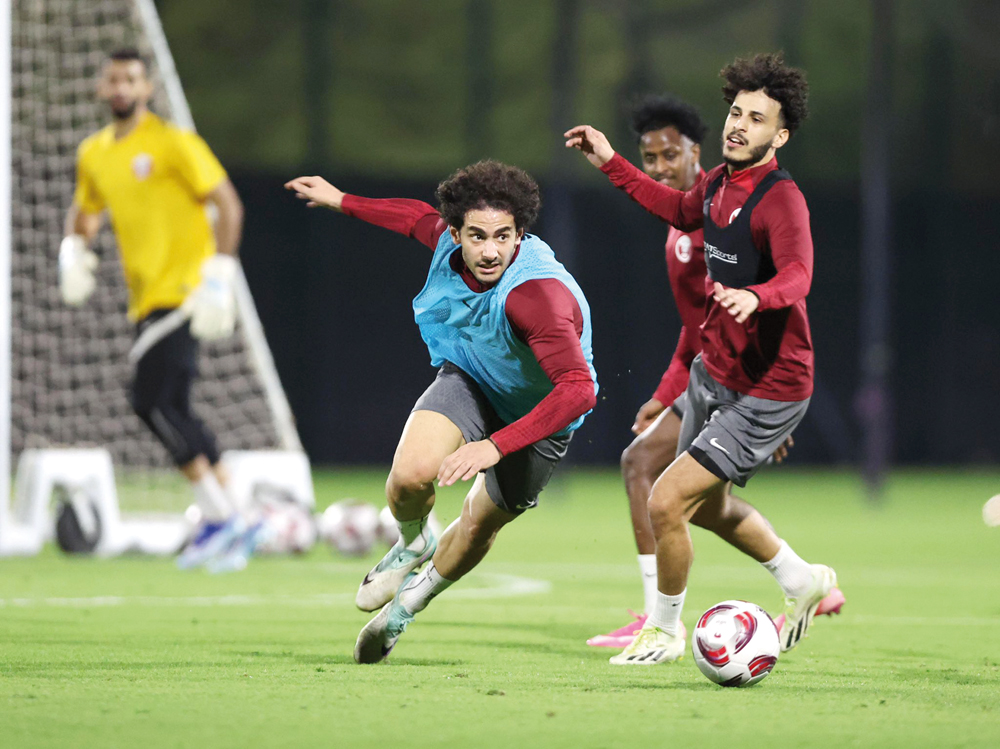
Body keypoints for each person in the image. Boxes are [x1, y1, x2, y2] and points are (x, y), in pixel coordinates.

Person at [567, 52, 838, 664]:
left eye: (757, 119)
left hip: (772, 383)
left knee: (665, 498)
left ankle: (662, 631)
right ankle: (803, 581)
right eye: (736, 113)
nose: (739, 125)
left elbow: (799, 275)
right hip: (715, 374)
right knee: (706, 508)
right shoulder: (715, 182)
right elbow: (674, 208)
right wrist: (610, 162)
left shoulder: (780, 199)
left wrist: (756, 295)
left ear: (781, 134)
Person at [285, 160, 599, 664]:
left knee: (478, 524)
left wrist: (493, 445)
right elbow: (412, 217)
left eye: (503, 236)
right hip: (474, 381)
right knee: (408, 478)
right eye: (476, 236)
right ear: (456, 233)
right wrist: (342, 199)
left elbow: (579, 391)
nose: (491, 250)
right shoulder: (447, 242)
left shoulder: (537, 295)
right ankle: (413, 542)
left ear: (521, 233)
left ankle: (406, 607)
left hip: (539, 418)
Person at [60, 48, 253, 570]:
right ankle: (234, 517)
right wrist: (73, 249)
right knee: (177, 406)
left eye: (131, 79)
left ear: (146, 89)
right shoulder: (94, 153)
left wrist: (221, 272)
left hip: (185, 292)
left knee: (150, 403)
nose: (121, 87)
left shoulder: (172, 143)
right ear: (102, 89)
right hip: (145, 298)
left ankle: (221, 517)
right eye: (113, 79)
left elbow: (227, 204)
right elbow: (87, 212)